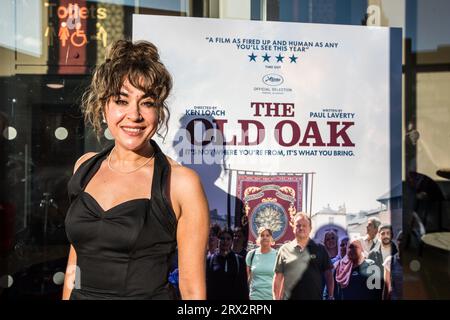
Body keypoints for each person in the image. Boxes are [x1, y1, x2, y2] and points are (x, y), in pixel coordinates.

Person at [62, 39, 209, 300]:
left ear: (159, 112)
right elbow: (77, 258)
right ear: (104, 106)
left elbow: (191, 289)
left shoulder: (181, 183)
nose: (134, 115)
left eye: (147, 102)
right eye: (121, 100)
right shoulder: (84, 167)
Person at [273, 212, 334, 300]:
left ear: (310, 228)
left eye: (304, 225)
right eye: (298, 225)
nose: (301, 228)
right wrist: (276, 298)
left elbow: (329, 274)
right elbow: (278, 277)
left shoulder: (320, 248)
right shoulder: (284, 250)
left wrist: (331, 296)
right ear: (293, 228)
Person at [206, 229, 248, 300]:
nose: (225, 241)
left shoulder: (239, 260)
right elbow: (207, 284)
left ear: (232, 241)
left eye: (228, 239)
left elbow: (243, 287)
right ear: (218, 240)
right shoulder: (210, 259)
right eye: (222, 238)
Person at [246, 227, 277, 300]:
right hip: (254, 296)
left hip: (272, 297)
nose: (265, 237)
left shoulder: (277, 255)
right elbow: (247, 279)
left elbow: (281, 279)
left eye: (267, 235)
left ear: (271, 238)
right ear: (258, 238)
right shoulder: (251, 254)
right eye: (262, 235)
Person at [383, 231, 403, 300]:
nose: (402, 243)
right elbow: (386, 288)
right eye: (400, 240)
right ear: (397, 242)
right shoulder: (389, 261)